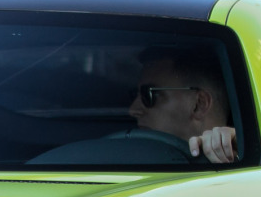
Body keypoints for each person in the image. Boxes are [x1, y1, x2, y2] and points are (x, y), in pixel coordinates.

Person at [30, 46, 239, 168]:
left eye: (149, 95)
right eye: (135, 95)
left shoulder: (250, 166)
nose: (133, 110)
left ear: (199, 104)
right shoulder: (121, 166)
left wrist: (235, 149)